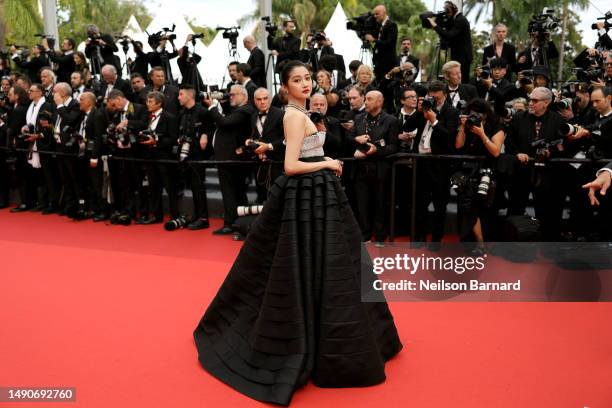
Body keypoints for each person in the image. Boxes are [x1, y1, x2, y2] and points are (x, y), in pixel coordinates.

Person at [193, 60, 402, 406]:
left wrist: (271, 147)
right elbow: (293, 166)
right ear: (285, 86)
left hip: (317, 194)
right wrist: (329, 163)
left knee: (330, 263)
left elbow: (293, 147)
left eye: (308, 78)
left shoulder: (297, 114)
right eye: (297, 80)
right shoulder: (292, 114)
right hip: (307, 191)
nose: (305, 84)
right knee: (307, 264)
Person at [428, 0, 473, 83]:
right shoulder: (454, 19)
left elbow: (449, 35)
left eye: (448, 10)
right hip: (458, 54)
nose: (447, 13)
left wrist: (435, 26)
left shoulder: (460, 20)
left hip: (463, 56)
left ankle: (464, 95)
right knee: (456, 80)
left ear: (454, 9)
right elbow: (446, 31)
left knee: (462, 80)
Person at [366, 4, 398, 81]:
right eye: (374, 14)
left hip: (388, 65)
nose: (375, 16)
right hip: (378, 65)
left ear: (384, 13)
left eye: (377, 14)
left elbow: (389, 43)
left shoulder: (392, 25)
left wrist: (374, 40)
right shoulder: (379, 26)